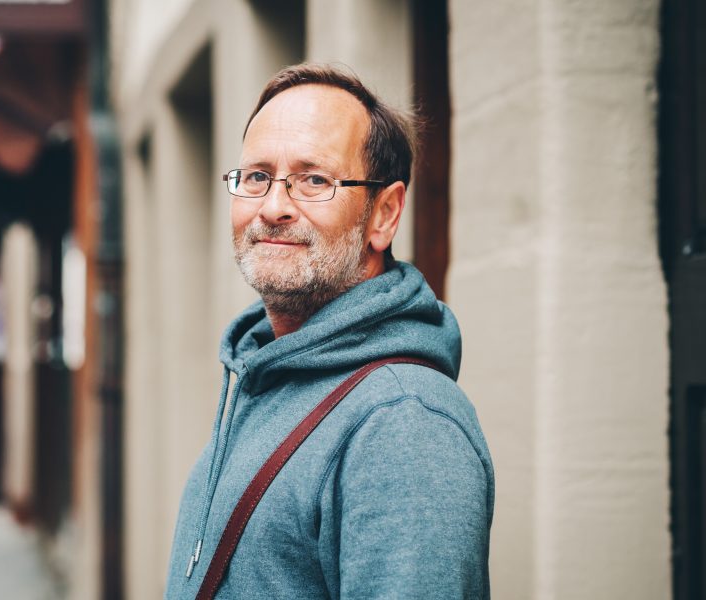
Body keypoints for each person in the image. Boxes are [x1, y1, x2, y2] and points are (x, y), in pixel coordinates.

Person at [165, 64, 494, 599]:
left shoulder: (403, 424)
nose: (273, 207)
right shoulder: (261, 374)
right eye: (256, 177)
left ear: (383, 215)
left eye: (314, 180)